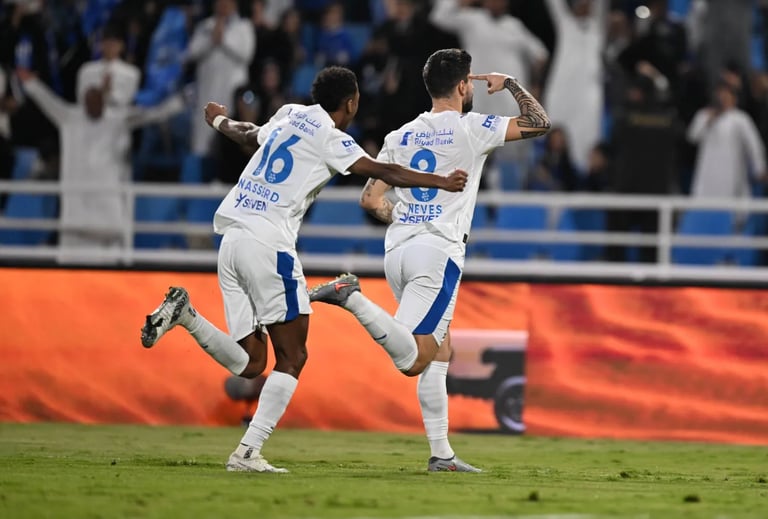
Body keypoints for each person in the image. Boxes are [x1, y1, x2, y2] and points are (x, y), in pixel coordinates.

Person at [139, 66, 468, 474]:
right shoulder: (331, 137)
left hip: (232, 237)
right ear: (351, 103)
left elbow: (248, 134)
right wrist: (441, 181)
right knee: (293, 356)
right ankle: (247, 453)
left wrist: (219, 120)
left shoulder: (290, 113)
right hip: (268, 244)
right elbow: (383, 171)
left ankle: (186, 314)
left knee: (250, 362)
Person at [308, 49, 551, 472]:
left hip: (398, 251)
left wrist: (406, 218)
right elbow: (539, 122)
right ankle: (352, 298)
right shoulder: (472, 128)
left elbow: (370, 199)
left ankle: (442, 455)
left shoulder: (400, 136)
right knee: (414, 359)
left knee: (441, 348)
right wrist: (510, 83)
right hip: (437, 252)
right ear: (463, 85)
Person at [16, 68, 183, 262]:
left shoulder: (116, 119)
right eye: (90, 100)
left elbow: (151, 115)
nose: (94, 106)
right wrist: (31, 84)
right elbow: (47, 101)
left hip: (107, 211)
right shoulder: (69, 117)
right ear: (83, 101)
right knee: (72, 264)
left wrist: (176, 104)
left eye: (98, 101)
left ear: (103, 102)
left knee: (109, 262)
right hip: (76, 212)